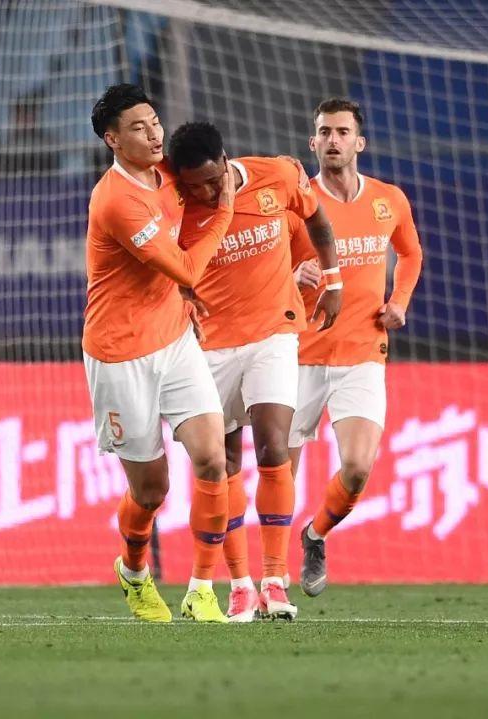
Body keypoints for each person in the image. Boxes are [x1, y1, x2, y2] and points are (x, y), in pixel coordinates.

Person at [168, 121, 341, 621]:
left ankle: (274, 581)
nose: (204, 193)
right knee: (222, 463)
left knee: (272, 447)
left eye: (211, 181)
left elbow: (318, 220)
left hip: (273, 334)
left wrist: (333, 281)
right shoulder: (175, 205)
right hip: (209, 347)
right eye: (193, 186)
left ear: (226, 162)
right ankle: (240, 585)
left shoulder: (278, 176)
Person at [84, 84, 235, 623]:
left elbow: (214, 174)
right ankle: (133, 571)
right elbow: (188, 267)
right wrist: (226, 212)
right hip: (120, 354)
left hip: (175, 340)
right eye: (138, 127)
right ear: (112, 139)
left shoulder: (168, 171)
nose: (153, 134)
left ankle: (202, 589)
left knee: (213, 458)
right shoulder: (117, 201)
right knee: (151, 491)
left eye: (154, 122)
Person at [287, 98, 423, 598]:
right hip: (297, 355)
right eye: (324, 132)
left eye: (342, 132)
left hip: (363, 351)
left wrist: (399, 301)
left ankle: (315, 534)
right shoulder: (297, 202)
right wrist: (290, 274)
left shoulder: (389, 199)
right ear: (312, 142)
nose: (333, 140)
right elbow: (262, 268)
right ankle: (269, 577)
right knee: (279, 475)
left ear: (359, 142)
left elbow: (410, 253)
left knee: (359, 467)